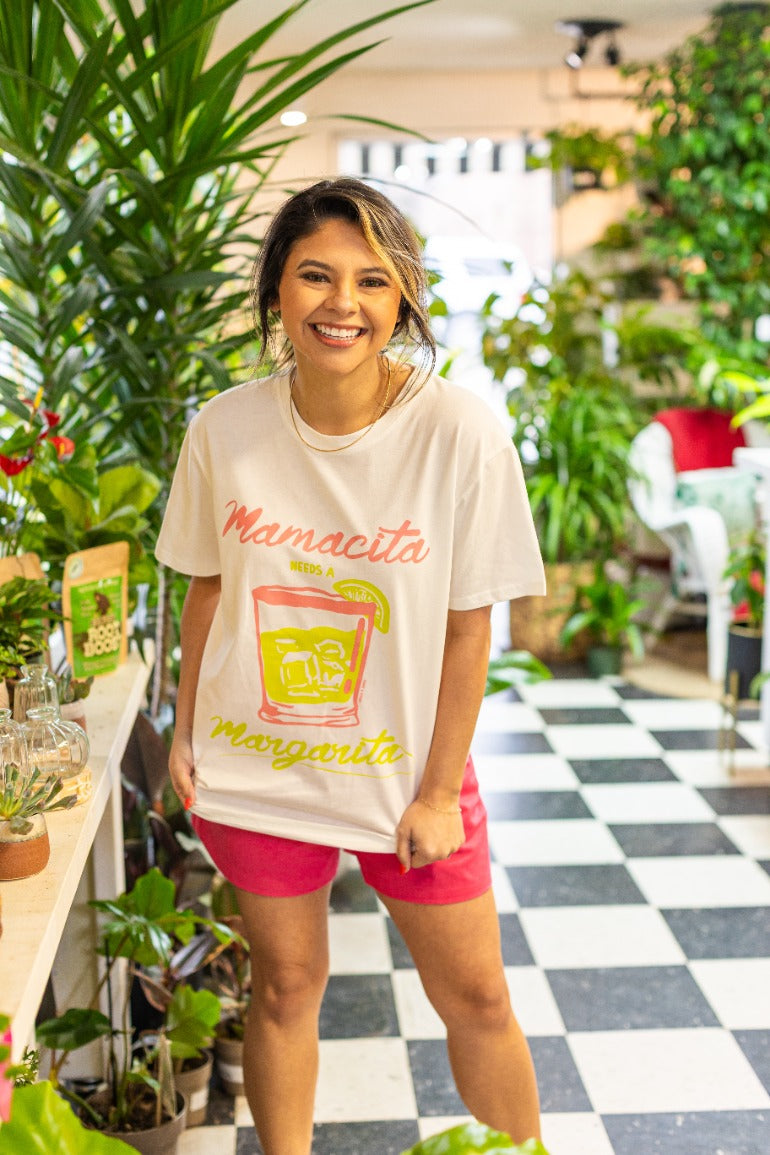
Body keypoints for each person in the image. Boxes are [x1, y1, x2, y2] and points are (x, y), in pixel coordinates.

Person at [156, 177, 546, 1155]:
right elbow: (207, 588)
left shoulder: (459, 432)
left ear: (402, 295)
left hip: (407, 774)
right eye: (315, 275)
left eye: (372, 280)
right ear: (275, 291)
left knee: (477, 998)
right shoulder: (223, 429)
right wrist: (184, 729)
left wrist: (438, 792)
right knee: (285, 988)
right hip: (259, 763)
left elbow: (468, 627)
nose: (343, 303)